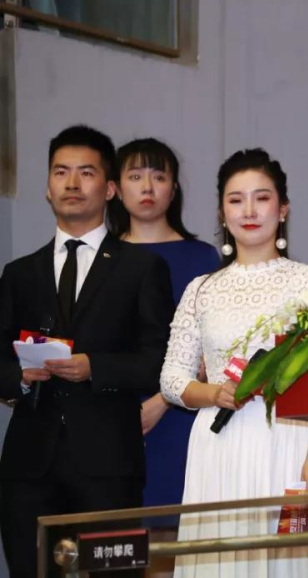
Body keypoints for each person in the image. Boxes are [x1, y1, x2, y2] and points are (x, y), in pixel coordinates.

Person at [0, 125, 174, 577]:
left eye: (86, 172)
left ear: (110, 189)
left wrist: (94, 367)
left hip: (108, 465)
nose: (72, 184)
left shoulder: (142, 268)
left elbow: (158, 360)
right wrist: (19, 377)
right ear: (47, 187)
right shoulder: (19, 273)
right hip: (29, 467)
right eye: (61, 172)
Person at [160, 148, 308, 577]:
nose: (249, 211)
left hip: (290, 443)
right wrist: (213, 392)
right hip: (219, 446)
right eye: (236, 200)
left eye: (262, 198)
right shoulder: (201, 289)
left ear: (283, 208)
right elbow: (172, 378)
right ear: (222, 212)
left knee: (289, 562)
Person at [108, 138, 220, 509]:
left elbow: (211, 349)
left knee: (175, 529)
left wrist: (161, 402)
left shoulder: (202, 258)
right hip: (109, 420)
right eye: (135, 176)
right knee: (112, 535)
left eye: (158, 177)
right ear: (115, 188)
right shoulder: (99, 257)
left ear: (173, 190)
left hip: (181, 414)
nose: (147, 187)